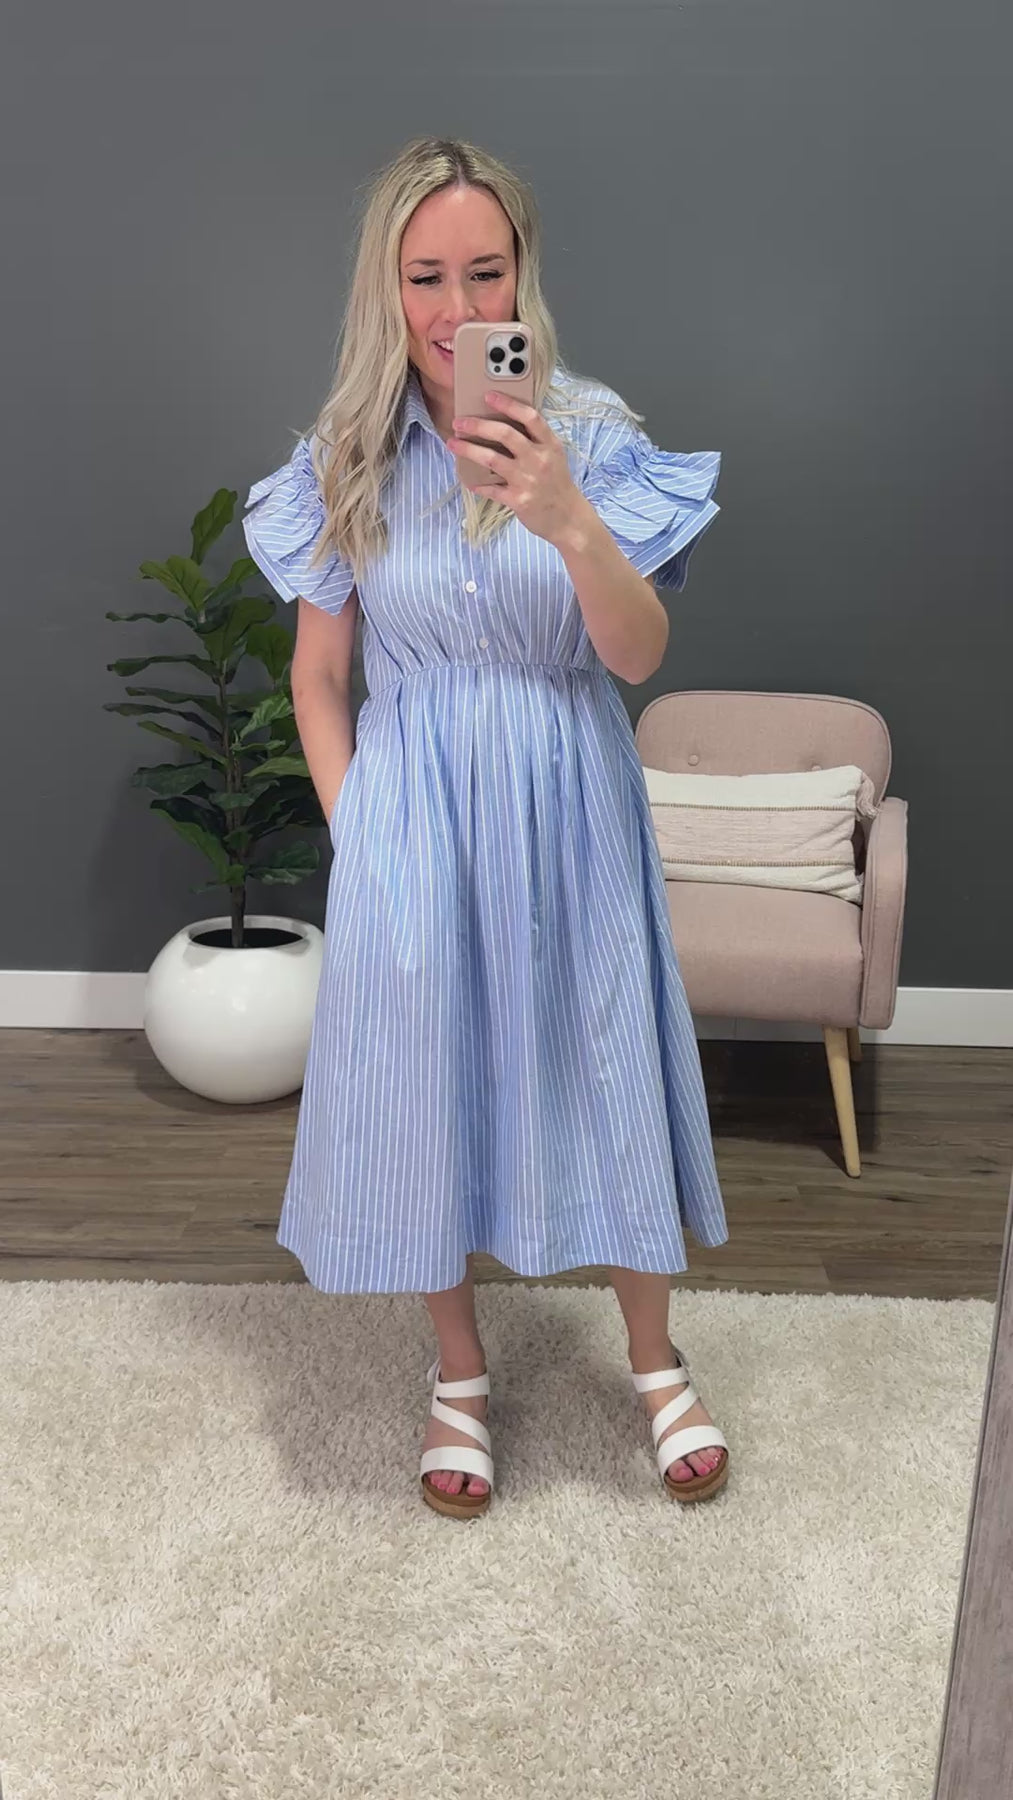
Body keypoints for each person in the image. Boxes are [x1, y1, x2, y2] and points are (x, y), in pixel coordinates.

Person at [242, 135, 731, 1520]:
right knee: (423, 1092)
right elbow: (318, 678)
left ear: (522, 274)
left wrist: (568, 518)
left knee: (607, 1066)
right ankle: (458, 1370)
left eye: (485, 271)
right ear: (385, 288)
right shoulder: (342, 458)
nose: (459, 308)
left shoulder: (592, 434)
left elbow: (636, 656)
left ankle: (653, 1358)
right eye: (426, 277)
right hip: (412, 823)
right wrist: (361, 832)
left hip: (572, 804)